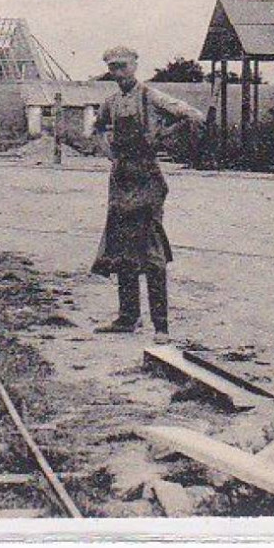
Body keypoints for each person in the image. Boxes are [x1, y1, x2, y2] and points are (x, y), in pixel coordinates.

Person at [90, 46, 205, 343]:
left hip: (147, 179)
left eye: (123, 66)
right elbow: (97, 129)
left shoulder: (151, 97)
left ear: (135, 66)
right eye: (113, 67)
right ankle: (128, 318)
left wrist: (162, 137)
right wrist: (109, 154)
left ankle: (161, 327)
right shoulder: (111, 102)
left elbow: (192, 116)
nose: (119, 72)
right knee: (123, 249)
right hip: (121, 178)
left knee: (152, 253)